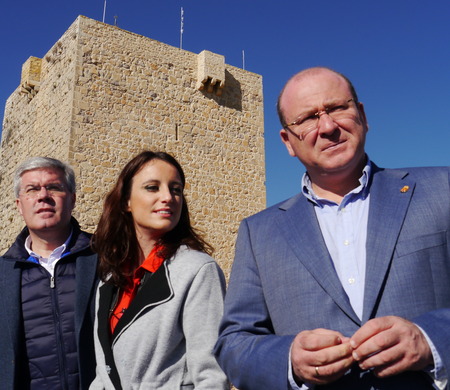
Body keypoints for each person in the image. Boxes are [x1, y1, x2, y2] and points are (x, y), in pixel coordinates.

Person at [214, 67, 450, 390]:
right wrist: (289, 360)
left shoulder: (442, 190)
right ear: (288, 141)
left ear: (362, 115)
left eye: (338, 108)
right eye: (308, 118)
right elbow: (233, 344)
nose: (328, 127)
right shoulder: (260, 234)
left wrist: (431, 340)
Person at [89, 150, 229, 390]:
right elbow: (103, 372)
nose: (168, 197)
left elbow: (212, 376)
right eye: (152, 187)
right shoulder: (109, 281)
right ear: (126, 202)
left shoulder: (196, 270)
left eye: (176, 189)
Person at [0, 157, 98, 389]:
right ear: (19, 204)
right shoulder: (3, 274)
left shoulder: (106, 258)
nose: (43, 195)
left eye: (54, 187)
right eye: (32, 189)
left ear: (73, 199)